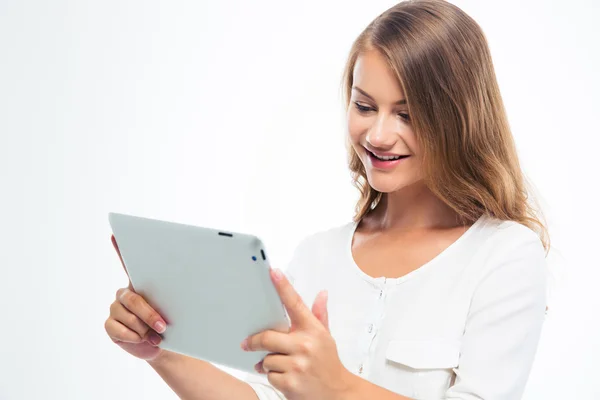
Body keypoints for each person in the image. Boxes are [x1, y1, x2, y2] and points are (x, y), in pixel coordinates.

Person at [104, 0, 550, 399]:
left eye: (407, 114)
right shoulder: (317, 256)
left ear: (459, 118)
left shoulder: (505, 256)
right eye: (365, 106)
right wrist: (162, 353)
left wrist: (335, 387)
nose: (377, 135)